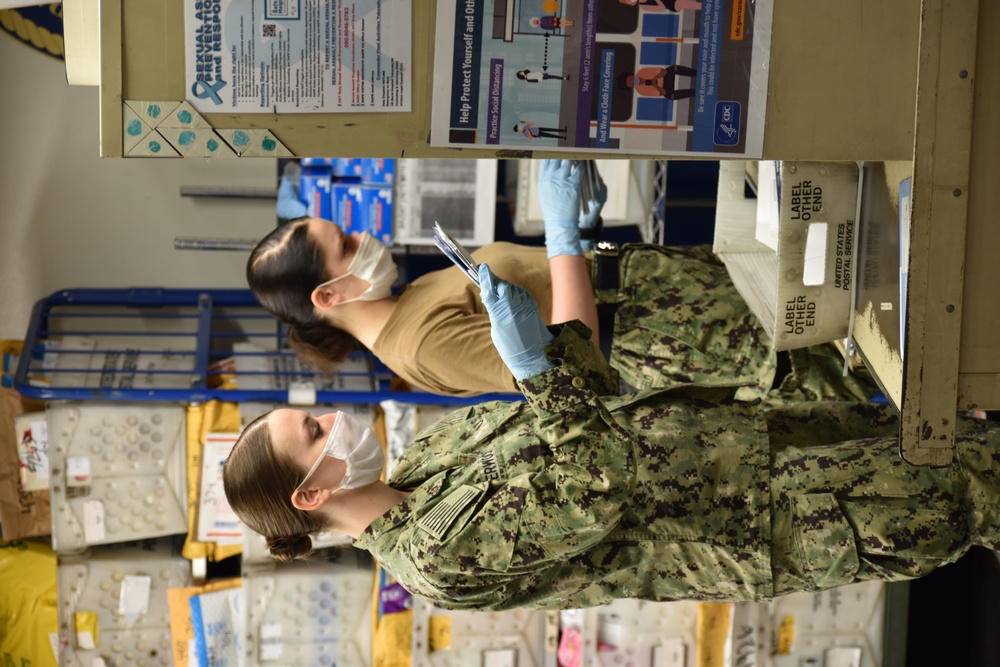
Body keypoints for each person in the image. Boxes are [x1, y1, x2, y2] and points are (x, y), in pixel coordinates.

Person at [223, 262, 1000, 611]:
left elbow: (588, 398)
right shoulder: (434, 556)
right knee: (971, 483)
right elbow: (598, 481)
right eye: (317, 430)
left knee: (952, 432)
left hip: (753, 439)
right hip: (779, 518)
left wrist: (548, 346)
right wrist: (531, 366)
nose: (340, 421)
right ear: (313, 491)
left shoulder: (427, 458)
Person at [251, 160, 874, 403]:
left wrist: (577, 229)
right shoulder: (417, 345)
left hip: (676, 293)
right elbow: (572, 362)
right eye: (347, 246)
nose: (365, 239)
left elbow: (548, 284)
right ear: (328, 296)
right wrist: (560, 236)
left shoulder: (410, 297)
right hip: (690, 337)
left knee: (858, 283)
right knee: (870, 344)